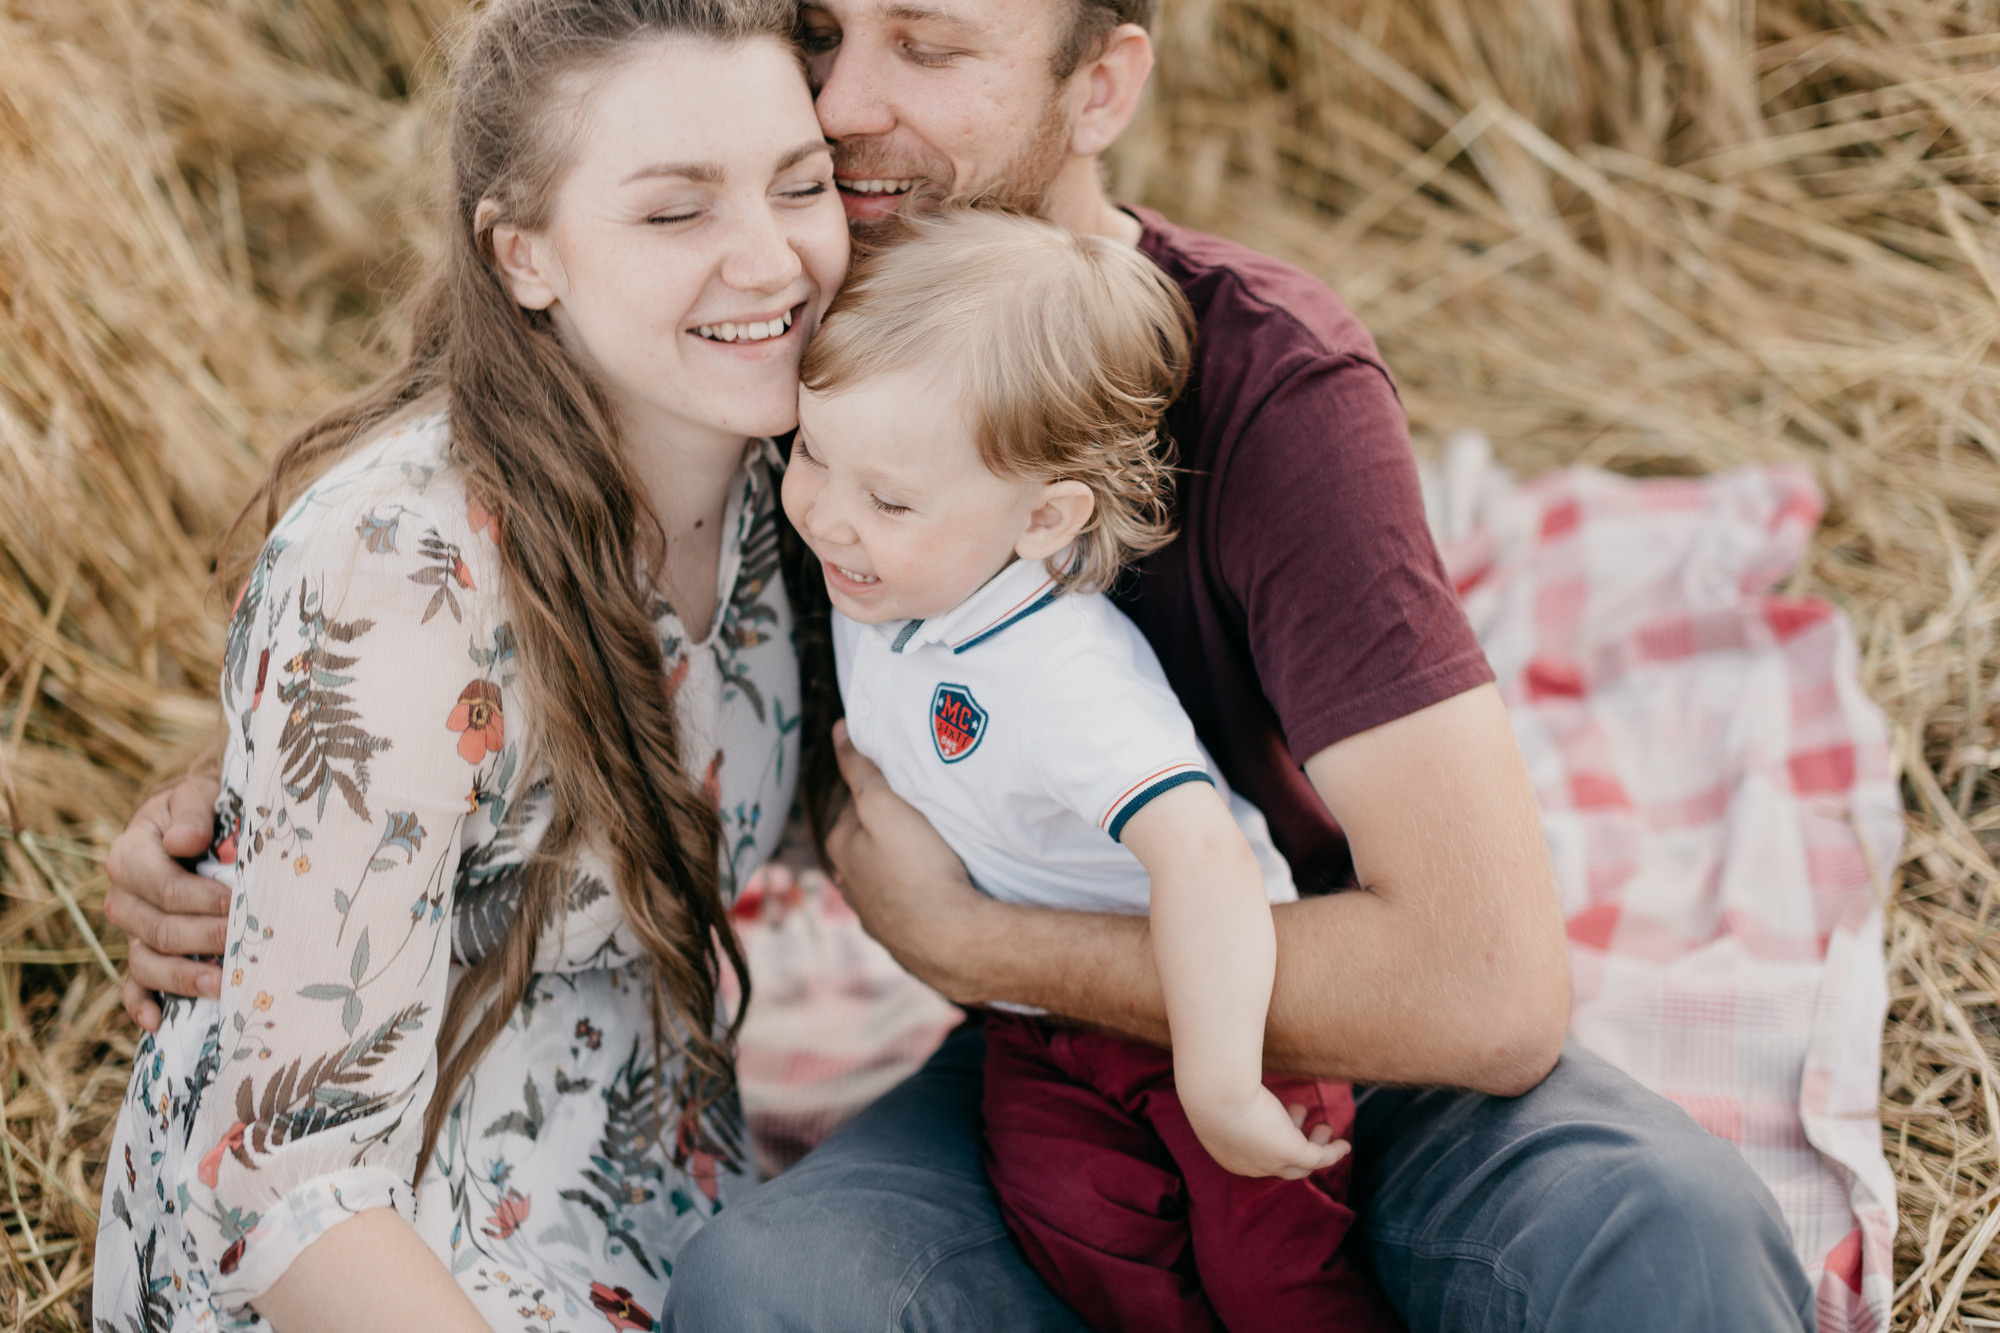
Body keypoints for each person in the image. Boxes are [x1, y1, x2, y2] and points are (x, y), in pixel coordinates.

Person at [108, 2, 1820, 1330]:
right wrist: (251, 807)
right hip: (1010, 1074)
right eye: (827, 40)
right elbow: (478, 642)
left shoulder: (1253, 383)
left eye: (930, 46)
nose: (849, 109)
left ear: (1103, 86)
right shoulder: (791, 407)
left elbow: (1490, 984)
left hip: (1334, 1039)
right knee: (786, 1295)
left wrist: (967, 937)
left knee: (1661, 1224)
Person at [93, 2, 851, 1329]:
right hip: (396, 1262)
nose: (771, 256)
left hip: (648, 1187)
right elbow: (293, 1186)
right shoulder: (397, 567)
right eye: (675, 213)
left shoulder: (807, 477)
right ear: (524, 254)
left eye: (802, 184)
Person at [786, 205, 1397, 1330]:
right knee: (1076, 1224)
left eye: (885, 496)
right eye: (810, 449)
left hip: (1217, 1002)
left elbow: (1201, 853)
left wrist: (1218, 1077)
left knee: (1271, 1267)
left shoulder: (1058, 667)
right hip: (1041, 1022)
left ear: (1043, 517)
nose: (826, 513)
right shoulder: (886, 577)